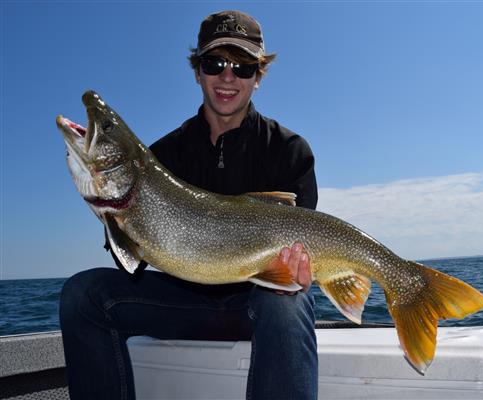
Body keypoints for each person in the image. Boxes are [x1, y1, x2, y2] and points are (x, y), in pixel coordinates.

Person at [59, 10, 319, 400]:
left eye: (243, 66)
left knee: (286, 303)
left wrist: (294, 272)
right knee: (83, 295)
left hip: (260, 305)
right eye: (214, 63)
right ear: (197, 71)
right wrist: (115, 211)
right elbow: (131, 262)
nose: (227, 77)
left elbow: (296, 263)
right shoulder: (161, 157)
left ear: (258, 76)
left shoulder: (289, 151)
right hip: (182, 303)